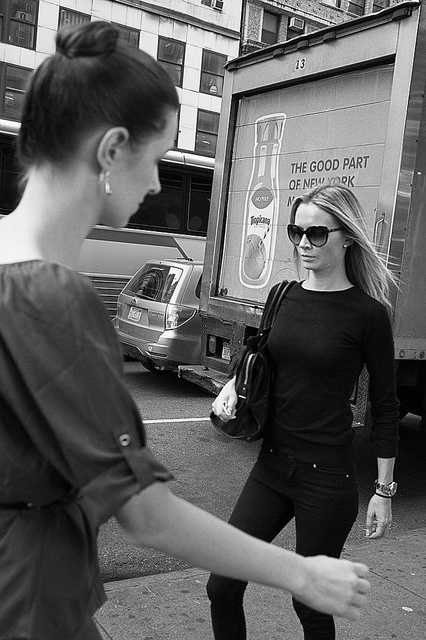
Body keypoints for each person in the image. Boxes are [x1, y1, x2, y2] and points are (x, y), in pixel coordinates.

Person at [0, 22, 370, 640]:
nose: (154, 184)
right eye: (156, 160)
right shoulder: (49, 298)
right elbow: (147, 515)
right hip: (31, 604)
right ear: (112, 150)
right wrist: (303, 573)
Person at [208, 183, 399, 640]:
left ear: (346, 237)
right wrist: (233, 385)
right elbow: (258, 355)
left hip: (327, 478)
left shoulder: (368, 314)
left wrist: (383, 490)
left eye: (316, 234)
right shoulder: (282, 295)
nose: (304, 244)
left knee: (310, 603)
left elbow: (386, 404)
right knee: (222, 585)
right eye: (297, 233)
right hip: (272, 466)